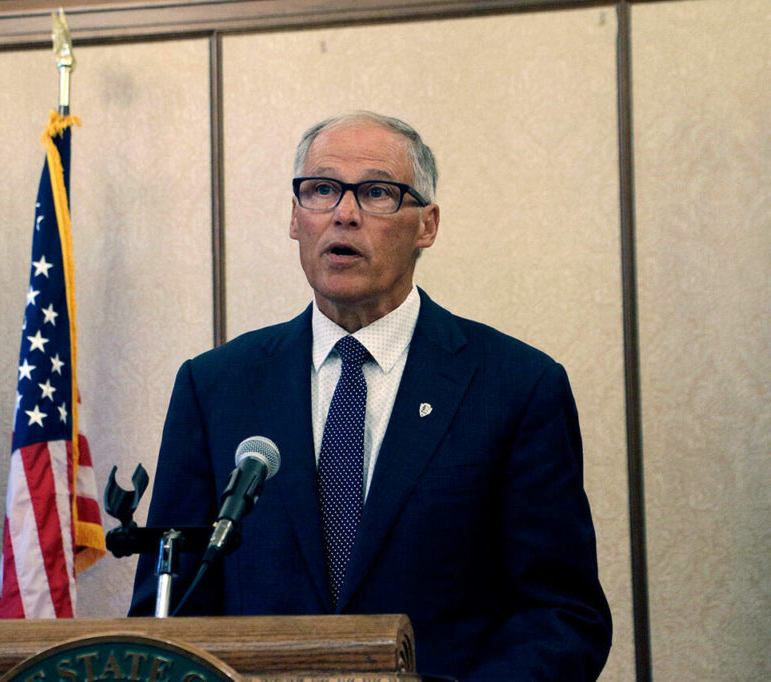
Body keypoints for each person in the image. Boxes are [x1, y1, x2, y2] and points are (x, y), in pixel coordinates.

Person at [129, 111, 612, 681]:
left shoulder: (515, 386)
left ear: (427, 225)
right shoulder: (215, 387)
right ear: (294, 217)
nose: (344, 213)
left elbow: (561, 614)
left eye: (377, 193)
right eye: (322, 190)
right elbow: (168, 611)